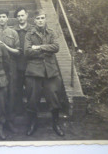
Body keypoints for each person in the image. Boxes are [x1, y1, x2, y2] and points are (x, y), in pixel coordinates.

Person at [24, 9, 65, 137]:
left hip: (50, 71)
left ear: (45, 19)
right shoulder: (29, 34)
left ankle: (55, 123)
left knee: (53, 97)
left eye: (42, 18)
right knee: (32, 98)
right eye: (38, 19)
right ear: (34, 20)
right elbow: (27, 51)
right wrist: (46, 49)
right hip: (34, 71)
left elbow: (56, 47)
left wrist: (40, 47)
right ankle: (32, 123)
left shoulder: (51, 32)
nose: (40, 21)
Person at [0, 9, 20, 133]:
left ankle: (10, 121)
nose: (2, 19)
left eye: (4, 16)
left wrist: (5, 46)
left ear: (7, 18)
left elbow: (18, 51)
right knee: (0, 96)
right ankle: (0, 123)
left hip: (12, 67)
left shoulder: (13, 33)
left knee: (11, 94)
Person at [13, 7, 32, 113]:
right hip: (17, 64)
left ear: (27, 15)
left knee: (30, 90)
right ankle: (19, 111)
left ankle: (30, 111)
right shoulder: (13, 31)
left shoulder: (32, 30)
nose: (20, 18)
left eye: (22, 15)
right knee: (17, 89)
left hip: (30, 65)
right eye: (18, 16)